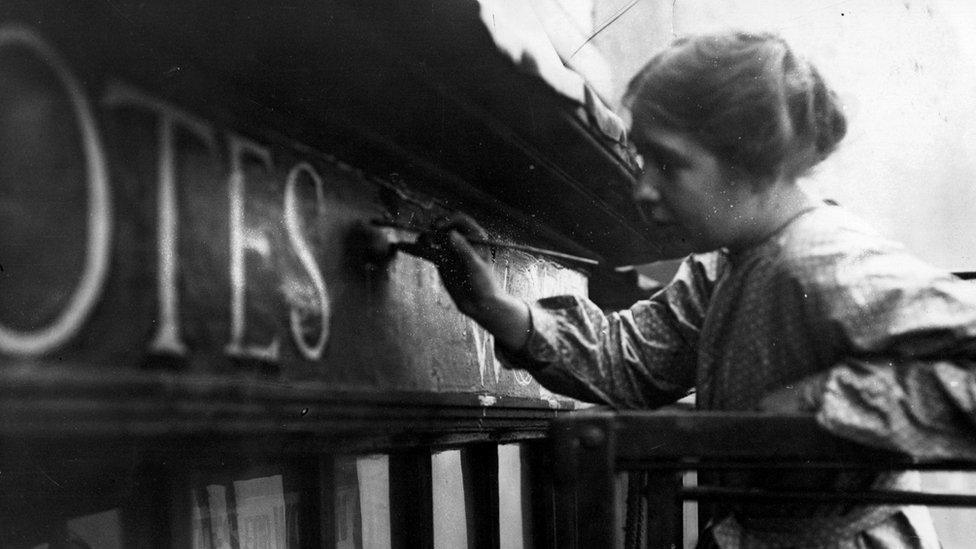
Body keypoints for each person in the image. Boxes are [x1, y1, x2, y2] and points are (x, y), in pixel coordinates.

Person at [414, 30, 976, 548]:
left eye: (668, 164)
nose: (644, 190)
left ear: (750, 164)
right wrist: (493, 306)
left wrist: (825, 407)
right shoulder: (723, 264)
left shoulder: (824, 262)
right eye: (642, 160)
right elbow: (628, 364)